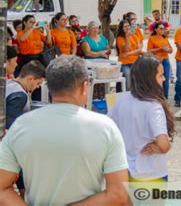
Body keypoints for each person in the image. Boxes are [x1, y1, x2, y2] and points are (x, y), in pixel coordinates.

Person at [0, 56, 129, 204]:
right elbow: (118, 193)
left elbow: (2, 188)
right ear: (84, 86)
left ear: (49, 86)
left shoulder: (21, 126)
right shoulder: (105, 127)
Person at [109, 56, 175, 182]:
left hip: (126, 171)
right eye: (161, 75)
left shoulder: (122, 99)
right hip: (152, 175)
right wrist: (158, 148)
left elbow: (107, 127)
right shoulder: (153, 107)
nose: (164, 79)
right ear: (149, 79)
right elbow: (164, 145)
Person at [6, 60, 45, 130]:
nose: (38, 87)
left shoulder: (8, 83)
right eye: (38, 83)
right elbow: (11, 127)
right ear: (30, 79)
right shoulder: (20, 96)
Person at [147, 23, 173, 99]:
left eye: (163, 28)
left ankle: (165, 98)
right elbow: (149, 51)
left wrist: (168, 50)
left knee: (166, 80)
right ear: (156, 29)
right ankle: (156, 98)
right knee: (156, 80)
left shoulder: (164, 38)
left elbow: (171, 50)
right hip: (156, 61)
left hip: (165, 60)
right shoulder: (152, 38)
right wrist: (161, 49)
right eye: (161, 28)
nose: (163, 30)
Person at [116, 19, 143, 91]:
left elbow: (139, 50)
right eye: (125, 26)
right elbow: (126, 49)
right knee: (128, 85)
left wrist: (128, 54)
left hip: (136, 62)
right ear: (121, 28)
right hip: (125, 64)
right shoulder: (120, 38)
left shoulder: (134, 36)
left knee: (135, 85)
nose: (127, 28)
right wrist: (127, 37)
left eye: (128, 26)